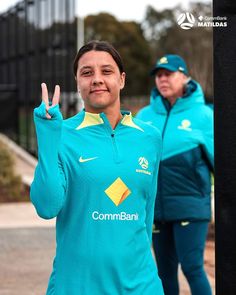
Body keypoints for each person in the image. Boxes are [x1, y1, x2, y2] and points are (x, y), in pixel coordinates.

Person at [30, 40, 164, 295]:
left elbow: (146, 211)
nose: (97, 79)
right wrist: (48, 136)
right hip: (77, 285)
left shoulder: (150, 137)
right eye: (87, 73)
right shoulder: (62, 134)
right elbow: (46, 207)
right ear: (78, 82)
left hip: (141, 285)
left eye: (107, 71)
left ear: (122, 79)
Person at [136, 54, 213, 295]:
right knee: (164, 273)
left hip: (191, 206)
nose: (162, 79)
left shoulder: (204, 116)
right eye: (158, 75)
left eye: (168, 73)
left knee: (192, 267)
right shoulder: (144, 117)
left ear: (184, 77)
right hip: (156, 210)